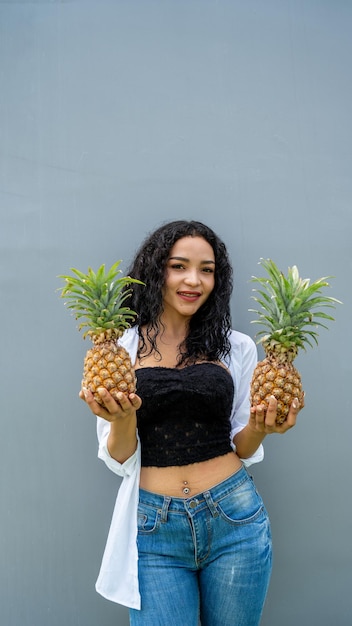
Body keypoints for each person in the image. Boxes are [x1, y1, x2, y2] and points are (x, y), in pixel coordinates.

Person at [80, 220, 301, 626]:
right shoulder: (117, 350)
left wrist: (262, 428)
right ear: (155, 270)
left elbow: (243, 445)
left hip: (235, 517)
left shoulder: (237, 347)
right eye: (179, 266)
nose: (193, 280)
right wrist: (124, 418)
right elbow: (118, 457)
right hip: (153, 529)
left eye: (207, 269)